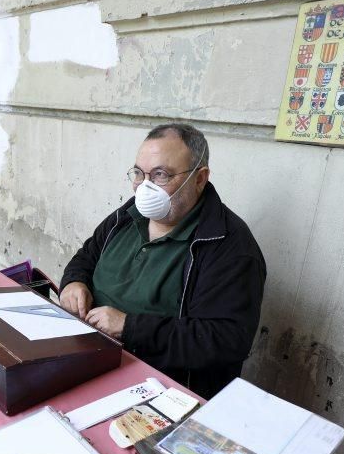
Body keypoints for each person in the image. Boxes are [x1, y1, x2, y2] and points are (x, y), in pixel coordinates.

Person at [59, 124, 266, 399]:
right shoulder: (127, 216)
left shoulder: (229, 247)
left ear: (199, 178)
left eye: (160, 175)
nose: (144, 187)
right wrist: (74, 282)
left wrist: (129, 327)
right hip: (89, 357)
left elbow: (225, 341)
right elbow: (86, 256)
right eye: (138, 174)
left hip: (161, 389)